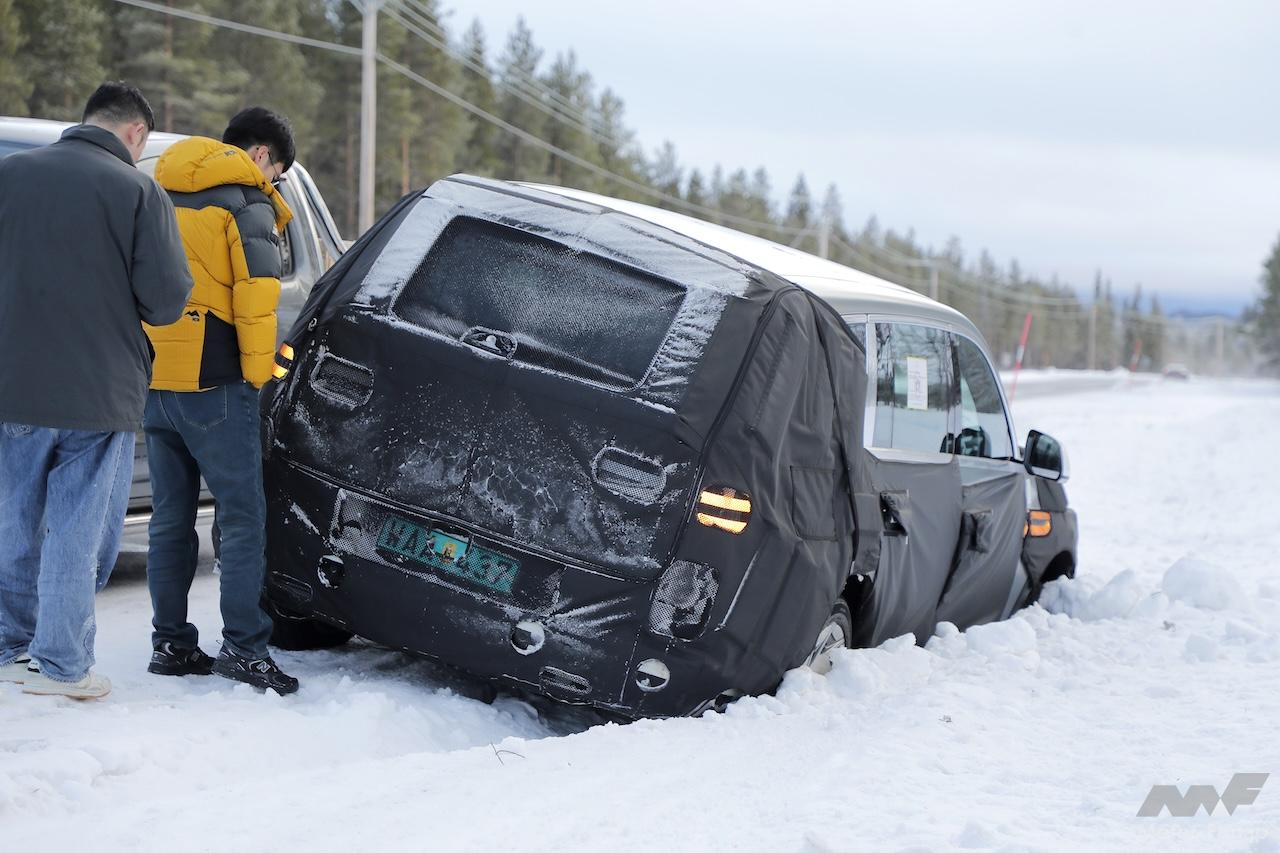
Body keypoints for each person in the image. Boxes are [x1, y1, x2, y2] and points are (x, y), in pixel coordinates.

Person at [0, 83, 194, 699]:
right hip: (97, 391)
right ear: (135, 133)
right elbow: (166, 302)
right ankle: (60, 665)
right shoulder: (139, 191)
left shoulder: (11, 174)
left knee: (12, 519)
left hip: (12, 383)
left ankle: (8, 648)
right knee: (79, 528)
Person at [142, 107, 299, 695]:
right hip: (217, 380)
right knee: (240, 516)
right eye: (278, 171)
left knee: (169, 518)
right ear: (261, 155)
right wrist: (257, 380)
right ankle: (245, 649)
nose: (275, 182)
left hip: (157, 376)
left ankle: (171, 643)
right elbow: (257, 301)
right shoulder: (246, 201)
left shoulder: (156, 186)